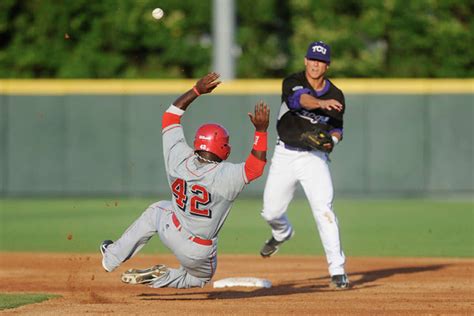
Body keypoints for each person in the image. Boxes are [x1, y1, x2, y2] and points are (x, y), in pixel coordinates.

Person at [100, 72, 270, 289]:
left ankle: (111, 257)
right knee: (200, 279)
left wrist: (197, 90)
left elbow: (170, 116)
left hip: (172, 228)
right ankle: (160, 277)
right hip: (197, 250)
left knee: (157, 210)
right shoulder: (226, 176)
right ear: (223, 149)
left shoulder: (178, 156)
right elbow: (255, 168)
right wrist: (261, 131)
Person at [259, 41, 350, 289]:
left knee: (324, 210)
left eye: (319, 61)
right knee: (271, 212)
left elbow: (337, 128)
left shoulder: (337, 95)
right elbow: (302, 100)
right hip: (285, 154)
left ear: (327, 65)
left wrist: (331, 141)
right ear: (305, 61)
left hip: (314, 158)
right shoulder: (292, 82)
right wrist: (321, 105)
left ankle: (337, 270)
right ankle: (282, 233)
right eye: (311, 59)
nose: (314, 64)